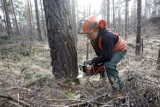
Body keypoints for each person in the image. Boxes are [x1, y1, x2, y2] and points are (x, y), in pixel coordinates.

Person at [79, 16, 127, 97]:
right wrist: (95, 63)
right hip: (109, 51)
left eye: (89, 33)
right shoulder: (94, 40)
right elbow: (100, 55)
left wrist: (93, 60)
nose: (88, 36)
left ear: (97, 29)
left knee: (108, 64)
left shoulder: (107, 37)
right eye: (86, 34)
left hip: (120, 49)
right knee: (101, 62)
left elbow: (107, 57)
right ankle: (103, 79)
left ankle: (118, 90)